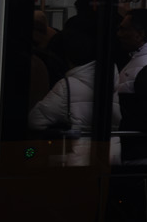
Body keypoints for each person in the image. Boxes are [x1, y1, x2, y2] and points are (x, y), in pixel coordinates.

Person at [28, 30, 121, 166]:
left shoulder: (67, 86)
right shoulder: (117, 79)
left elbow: (35, 120)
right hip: (112, 155)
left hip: (78, 160)